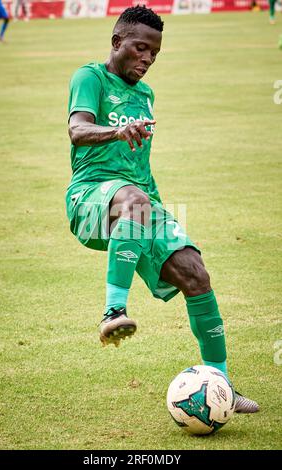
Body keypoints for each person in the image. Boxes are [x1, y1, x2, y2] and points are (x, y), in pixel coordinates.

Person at [66, 5, 259, 414]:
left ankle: (222, 384)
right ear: (117, 42)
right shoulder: (90, 77)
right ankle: (113, 311)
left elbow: (139, 167)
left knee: (195, 273)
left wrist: (159, 214)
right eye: (139, 48)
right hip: (90, 199)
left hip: (137, 202)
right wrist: (117, 130)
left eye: (154, 53)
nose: (147, 59)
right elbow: (77, 130)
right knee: (133, 200)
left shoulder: (145, 96)